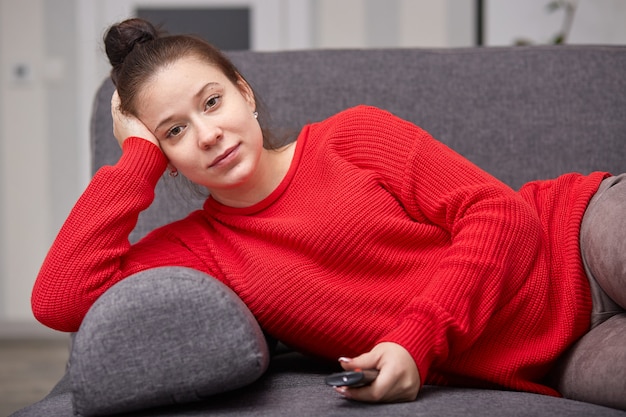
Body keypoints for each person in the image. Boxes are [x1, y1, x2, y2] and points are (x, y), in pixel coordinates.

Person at [31, 18, 625, 408]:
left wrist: (414, 341)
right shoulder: (202, 250)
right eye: (176, 131)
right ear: (164, 156)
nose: (208, 133)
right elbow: (59, 299)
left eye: (212, 101)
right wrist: (135, 157)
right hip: (557, 358)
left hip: (575, 235)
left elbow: (499, 214)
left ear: (246, 93)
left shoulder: (354, 136)